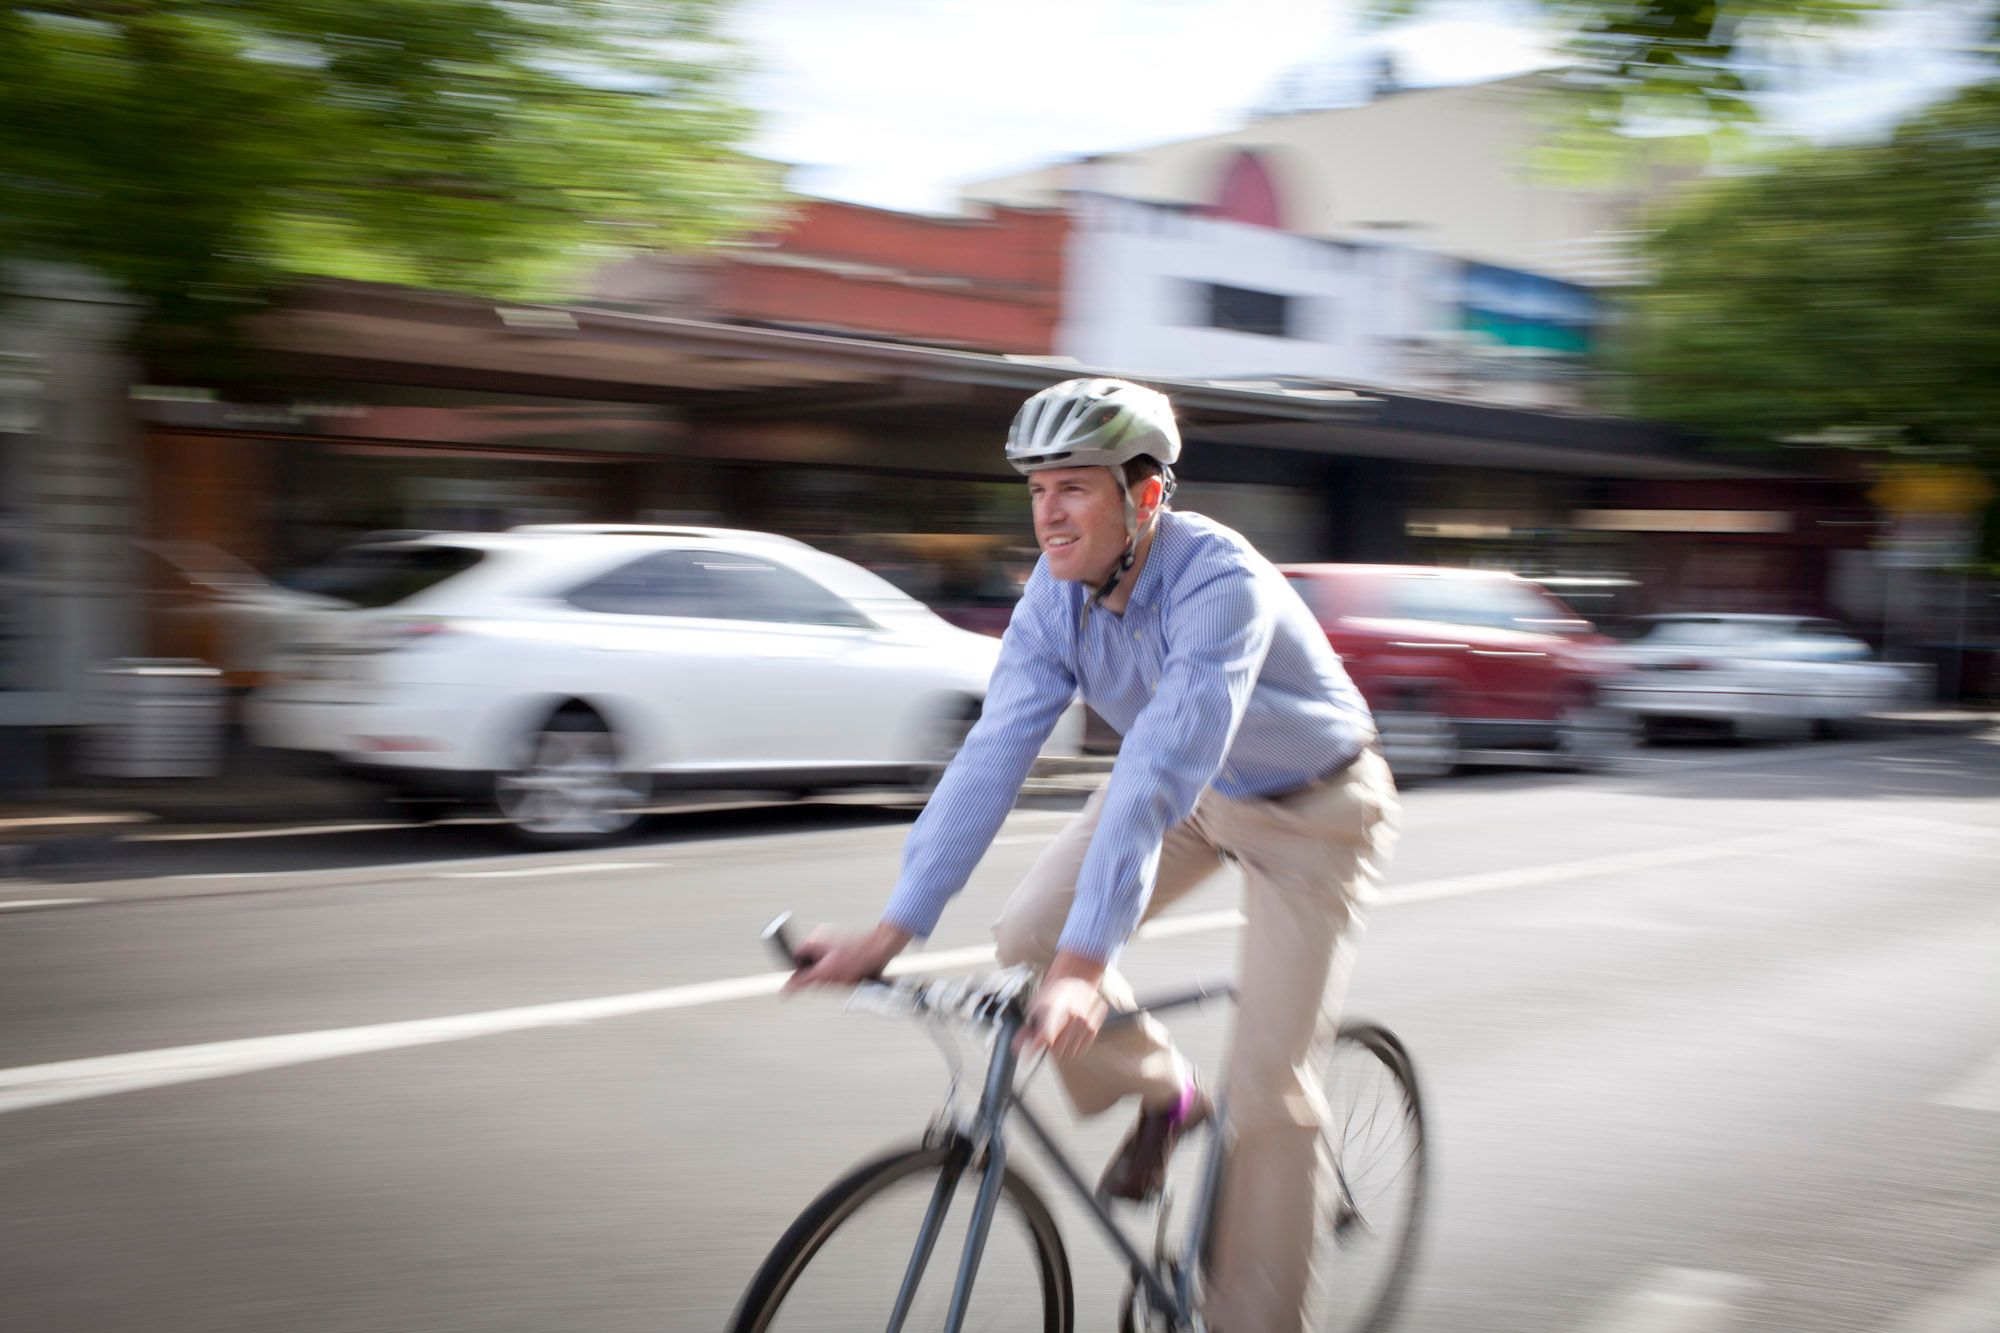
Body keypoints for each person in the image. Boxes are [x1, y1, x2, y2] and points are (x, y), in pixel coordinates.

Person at [786, 377, 1399, 1332]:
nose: (1047, 511)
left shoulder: (1217, 581)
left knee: (1272, 1097)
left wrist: (1088, 968)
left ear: (1145, 494)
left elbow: (1158, 767)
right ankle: (1167, 1090)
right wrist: (892, 928)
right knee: (1026, 930)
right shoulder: (1053, 597)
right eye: (1035, 488)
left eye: (1073, 486)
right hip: (1196, 795)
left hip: (1311, 808)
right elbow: (994, 753)